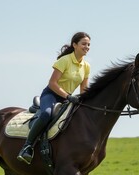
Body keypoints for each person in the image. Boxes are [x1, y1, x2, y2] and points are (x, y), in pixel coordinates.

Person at [17, 32, 91, 164]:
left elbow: (84, 89)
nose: (87, 47)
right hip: (51, 95)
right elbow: (52, 83)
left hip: (68, 99)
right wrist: (68, 96)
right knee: (46, 114)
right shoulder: (65, 60)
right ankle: (27, 147)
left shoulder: (86, 66)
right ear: (75, 45)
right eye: (84, 44)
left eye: (89, 44)